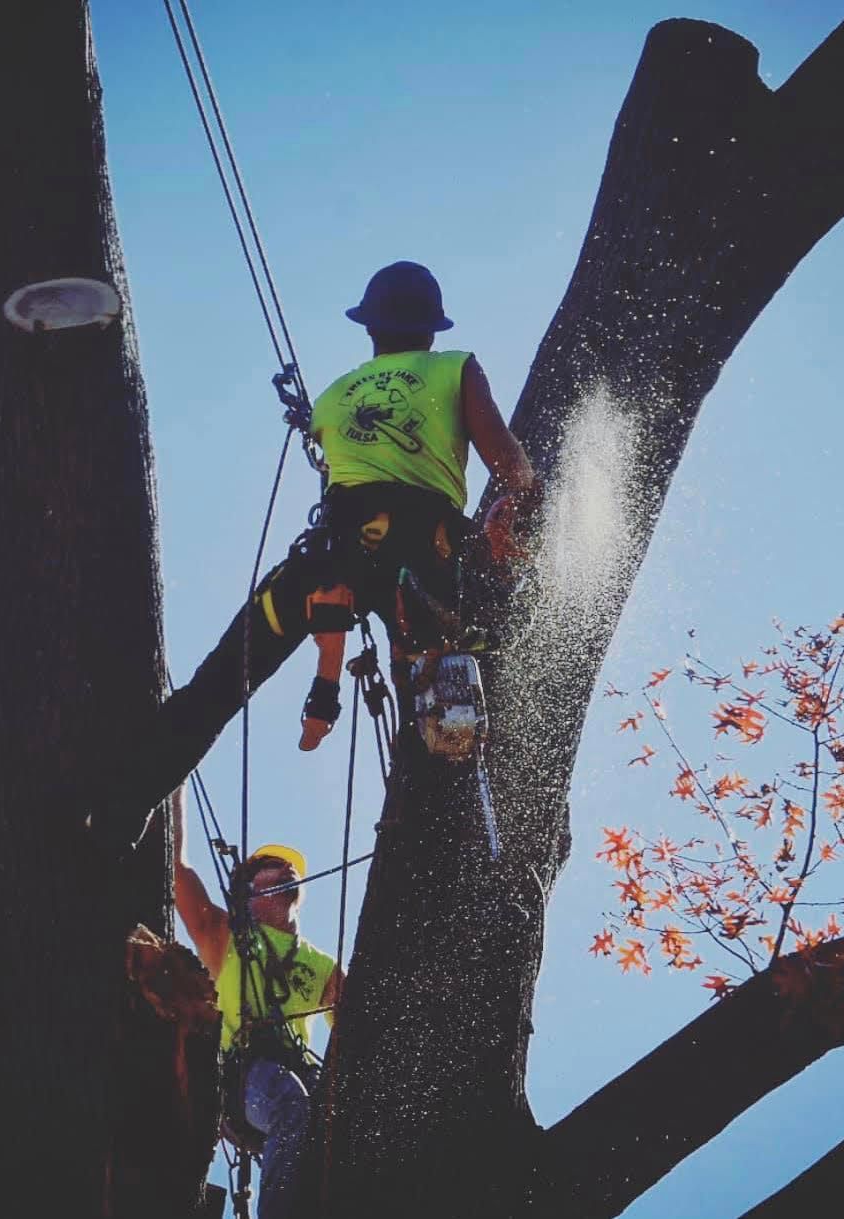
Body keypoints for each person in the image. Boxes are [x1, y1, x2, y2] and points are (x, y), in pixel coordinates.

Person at [150, 261, 538, 787]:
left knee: (218, 684)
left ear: (369, 328)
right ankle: (446, 793)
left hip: (333, 553)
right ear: (432, 329)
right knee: (472, 667)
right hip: (428, 551)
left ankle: (115, 807)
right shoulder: (456, 367)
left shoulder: (333, 397)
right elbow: (511, 466)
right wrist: (512, 503)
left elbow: (336, 466)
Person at [171, 788, 341, 1219]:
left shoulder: (321, 966)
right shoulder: (225, 936)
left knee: (332, 1122)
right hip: (243, 1078)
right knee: (291, 1103)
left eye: (287, 871)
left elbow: (361, 1029)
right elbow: (176, 869)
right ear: (246, 893)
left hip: (299, 1076)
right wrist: (175, 787)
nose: (283, 872)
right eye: (269, 870)